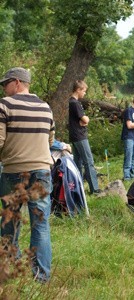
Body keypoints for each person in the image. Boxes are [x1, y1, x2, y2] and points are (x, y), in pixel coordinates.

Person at [0, 67, 54, 282]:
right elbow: (50, 142)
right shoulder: (46, 107)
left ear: (16, 82)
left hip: (14, 172)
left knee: (10, 221)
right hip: (42, 172)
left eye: (5, 84)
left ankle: (11, 267)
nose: (4, 89)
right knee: (40, 225)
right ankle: (41, 277)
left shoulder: (4, 104)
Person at [68, 80, 101, 194]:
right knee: (88, 161)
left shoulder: (72, 102)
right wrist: (85, 120)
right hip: (80, 136)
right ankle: (95, 189)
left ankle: (78, 187)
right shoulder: (75, 103)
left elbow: (83, 120)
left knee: (78, 162)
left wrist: (84, 120)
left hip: (75, 136)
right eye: (84, 91)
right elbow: (85, 119)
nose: (84, 93)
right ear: (78, 90)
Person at [121, 95, 134, 181]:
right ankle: (126, 176)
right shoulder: (129, 110)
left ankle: (133, 174)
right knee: (128, 156)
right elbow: (129, 125)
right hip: (129, 136)